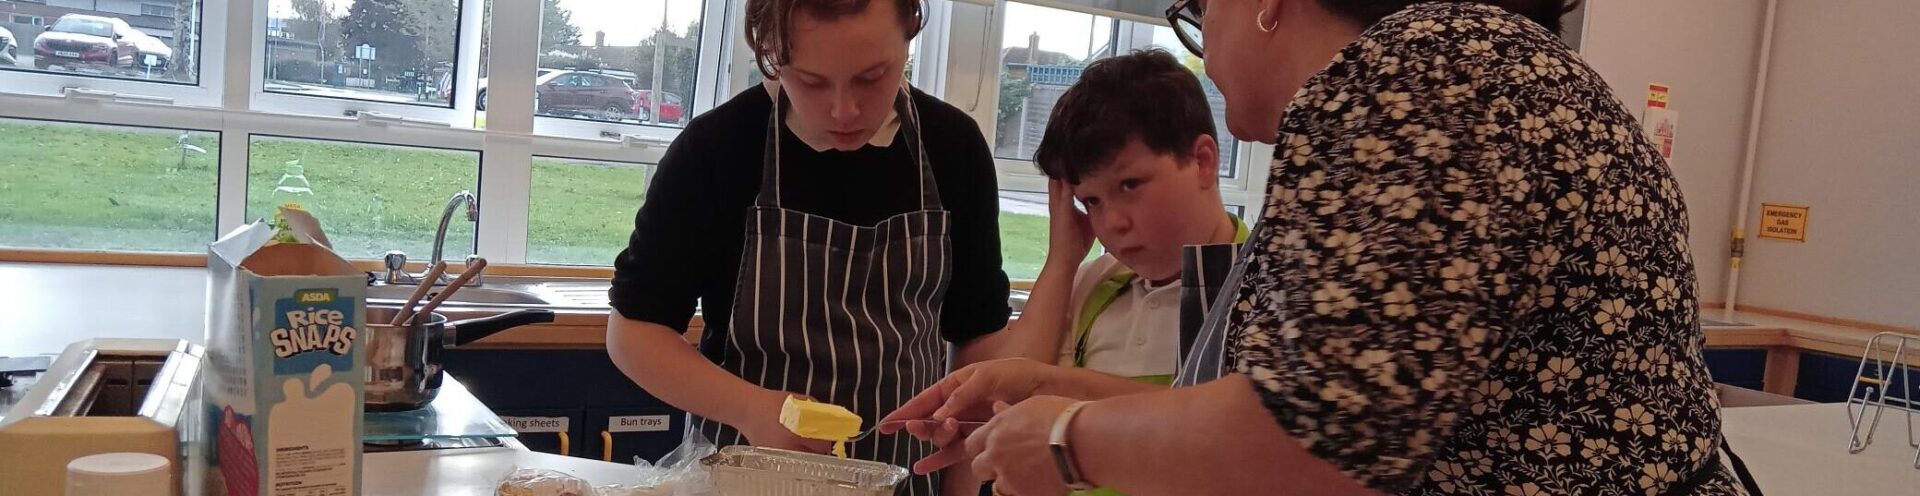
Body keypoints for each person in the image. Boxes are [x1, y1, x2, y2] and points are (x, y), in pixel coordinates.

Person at [886, 1, 1750, 495]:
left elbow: (1313, 436)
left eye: (1200, 13)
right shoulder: (1465, 69)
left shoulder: (1411, 80)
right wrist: (1041, 385)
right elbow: (1293, 396)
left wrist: (1069, 437)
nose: (1206, 51)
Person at [601, 0, 1010, 493]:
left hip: (907, 480)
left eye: (872, 76)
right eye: (812, 81)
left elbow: (978, 340)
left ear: (910, 31)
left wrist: (960, 488)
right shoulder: (720, 148)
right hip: (744, 479)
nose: (844, 110)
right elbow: (634, 334)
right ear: (769, 50)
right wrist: (750, 407)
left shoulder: (953, 148)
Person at [973, 49, 1247, 385]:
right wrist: (1062, 261)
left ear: (1202, 162)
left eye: (1130, 185)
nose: (1112, 223)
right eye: (1091, 200)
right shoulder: (1093, 284)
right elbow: (1008, 390)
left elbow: (1226, 426)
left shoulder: (1266, 283)